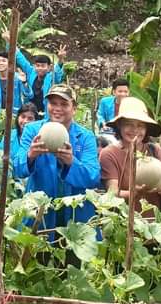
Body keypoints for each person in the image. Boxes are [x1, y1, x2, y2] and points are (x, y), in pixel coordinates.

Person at [14, 85, 100, 232]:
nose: (57, 108)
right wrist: (30, 156)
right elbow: (17, 168)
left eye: (64, 104)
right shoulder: (33, 130)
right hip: (41, 214)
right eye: (53, 103)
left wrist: (71, 162)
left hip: (76, 217)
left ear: (74, 108)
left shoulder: (85, 137)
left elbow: (93, 176)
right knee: (38, 252)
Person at [100, 97, 161, 213]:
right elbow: (112, 193)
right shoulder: (109, 154)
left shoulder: (155, 150)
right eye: (128, 124)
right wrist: (133, 192)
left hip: (153, 224)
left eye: (140, 126)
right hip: (121, 223)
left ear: (146, 129)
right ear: (120, 126)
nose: (134, 130)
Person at [15, 45, 67, 114]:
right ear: (34, 66)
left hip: (46, 112)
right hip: (30, 111)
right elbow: (21, 59)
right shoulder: (31, 72)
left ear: (49, 67)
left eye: (43, 66)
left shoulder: (51, 78)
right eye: (38, 66)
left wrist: (60, 59)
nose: (40, 68)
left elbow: (57, 73)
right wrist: (10, 42)